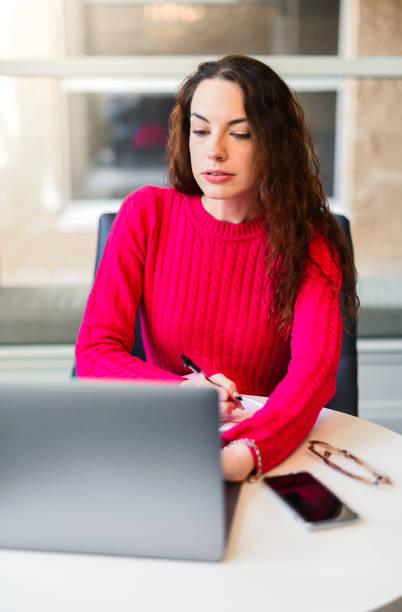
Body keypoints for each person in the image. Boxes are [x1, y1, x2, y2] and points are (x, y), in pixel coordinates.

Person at [75, 55, 358, 482]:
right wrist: (186, 392)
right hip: (163, 441)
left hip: (271, 449)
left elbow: (312, 375)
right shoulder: (146, 214)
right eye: (201, 130)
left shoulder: (311, 238)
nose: (214, 151)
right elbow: (95, 350)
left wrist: (244, 454)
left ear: (274, 143)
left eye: (239, 133)